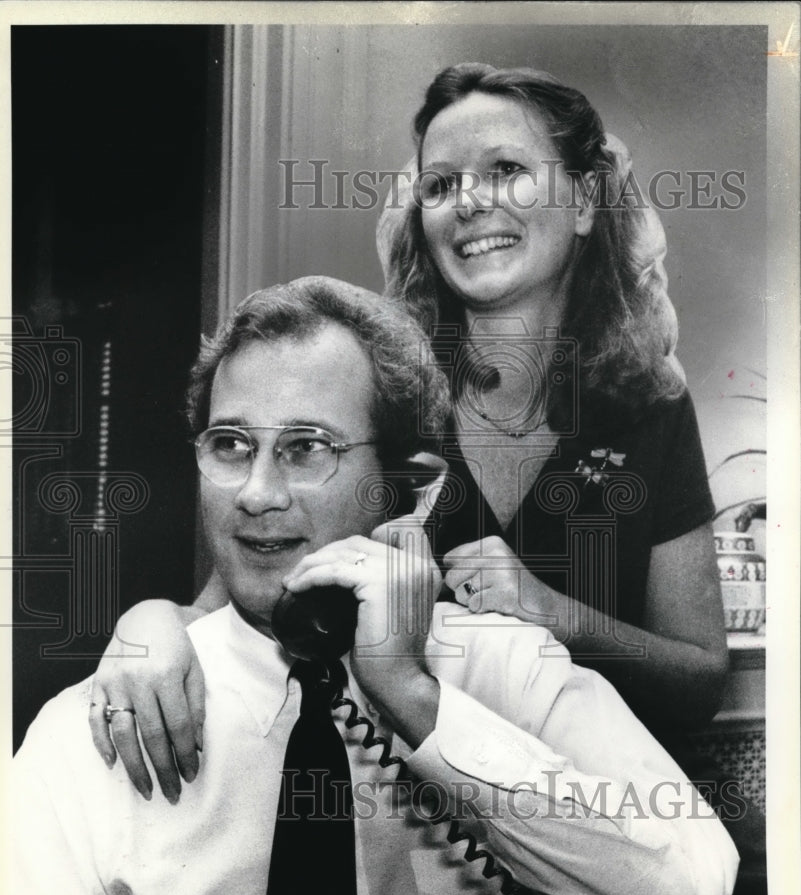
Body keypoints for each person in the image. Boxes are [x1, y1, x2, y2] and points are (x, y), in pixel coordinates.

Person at [13, 276, 738, 895]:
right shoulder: (111, 719)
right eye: (230, 445)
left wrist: (416, 700)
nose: (256, 493)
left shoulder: (513, 674)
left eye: (307, 448)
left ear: (408, 490)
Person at [88, 63, 728, 803]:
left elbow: (699, 679)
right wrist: (143, 631)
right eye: (439, 184)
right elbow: (225, 607)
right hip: (398, 835)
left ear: (584, 200)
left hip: (603, 826)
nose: (468, 203)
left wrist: (559, 617)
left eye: (507, 170)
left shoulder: (648, 408)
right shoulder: (377, 394)